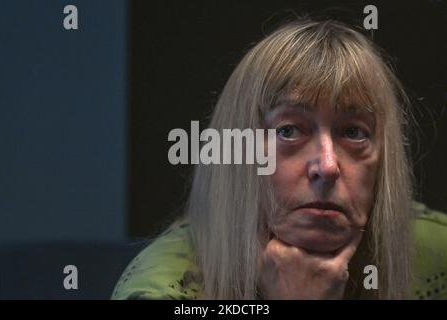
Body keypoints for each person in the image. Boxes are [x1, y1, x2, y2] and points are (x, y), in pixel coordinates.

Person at [112, 18, 447, 300]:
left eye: (354, 133)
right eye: (288, 131)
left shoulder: (437, 254)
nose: (327, 166)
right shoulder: (160, 290)